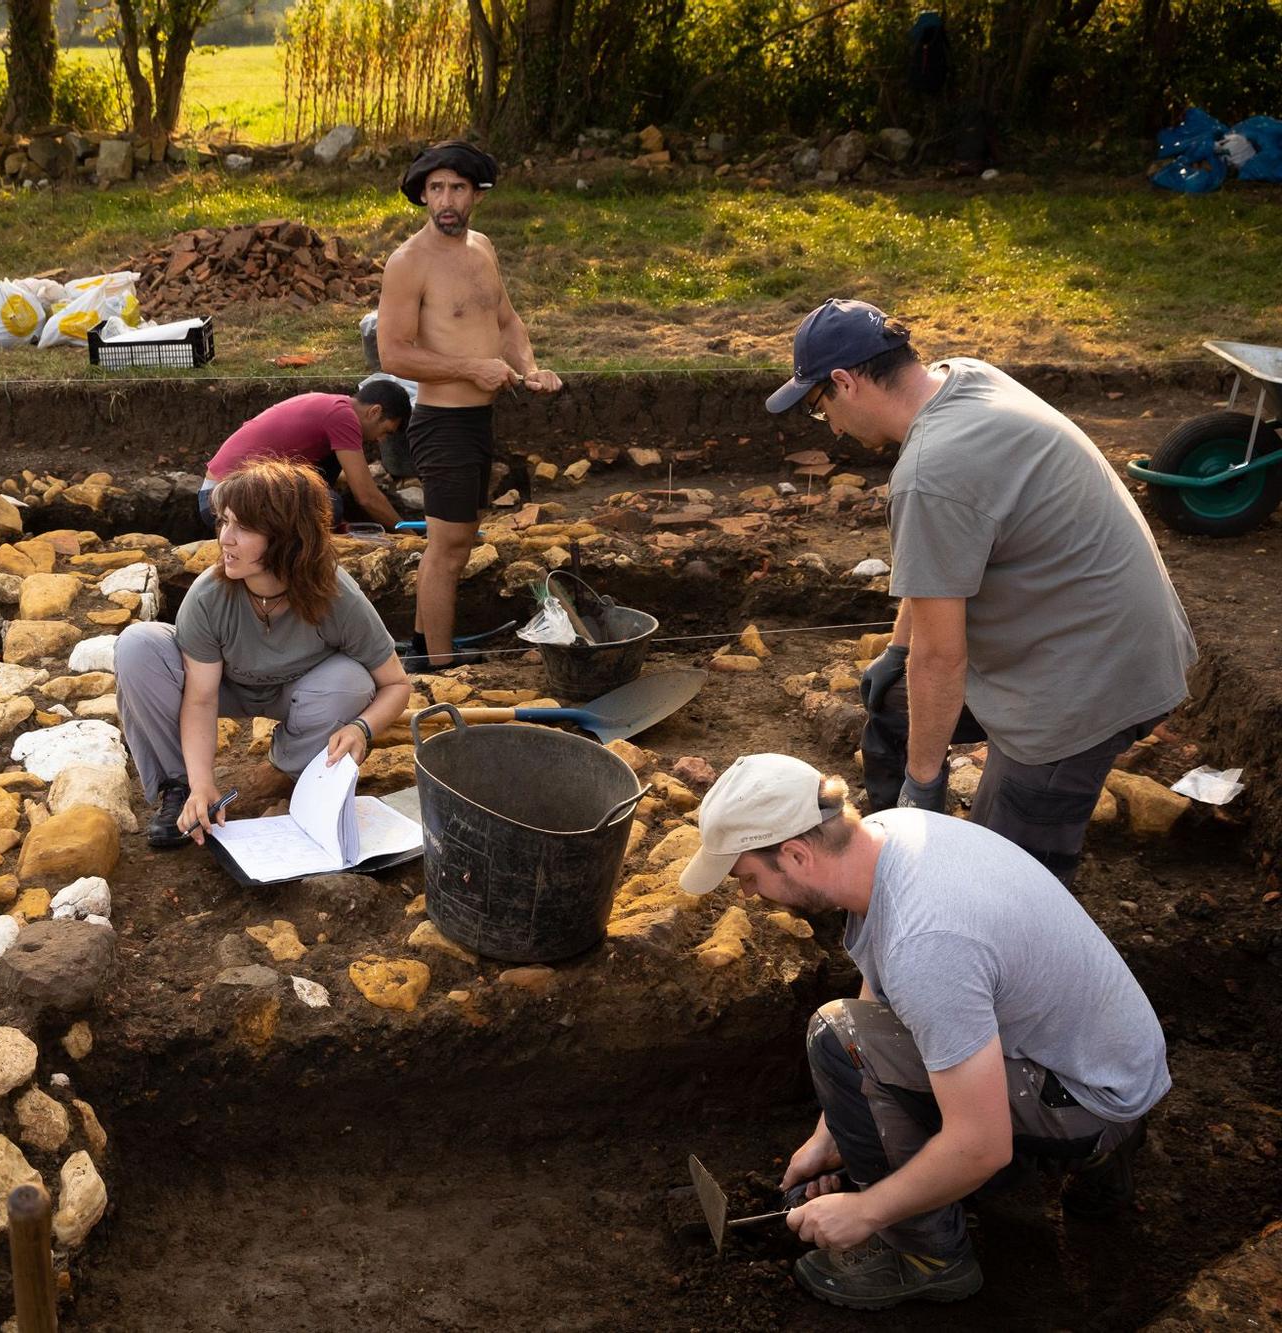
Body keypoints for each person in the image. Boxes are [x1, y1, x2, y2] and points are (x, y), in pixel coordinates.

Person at [679, 753, 1169, 1311]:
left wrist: (866, 1211)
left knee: (835, 1038)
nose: (748, 895)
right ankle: (1107, 1154)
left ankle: (928, 1258)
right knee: (852, 1038)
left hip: (1091, 1096)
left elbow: (982, 1145)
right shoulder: (894, 835)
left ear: (795, 854)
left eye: (748, 878)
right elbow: (880, 995)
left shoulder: (927, 941)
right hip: (1110, 1059)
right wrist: (828, 1136)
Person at [767, 299, 1196, 885]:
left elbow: (942, 658)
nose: (834, 429)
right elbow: (938, 579)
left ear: (844, 382)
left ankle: (1007, 933)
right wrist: (895, 655)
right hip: (1091, 633)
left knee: (1003, 879)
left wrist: (925, 785)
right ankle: (893, 860)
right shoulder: (966, 377)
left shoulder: (930, 474)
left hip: (1089, 684)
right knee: (893, 702)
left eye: (822, 410)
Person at [116, 458, 412, 849]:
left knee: (352, 680)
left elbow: (395, 684)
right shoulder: (209, 595)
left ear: (288, 536)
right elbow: (201, 698)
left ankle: (289, 775)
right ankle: (183, 789)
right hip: (226, 686)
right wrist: (203, 781)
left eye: (244, 527)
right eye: (223, 521)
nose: (225, 538)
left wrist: (363, 727)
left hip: (299, 693)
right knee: (139, 645)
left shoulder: (337, 595)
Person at [376, 140, 563, 668]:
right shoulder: (408, 262)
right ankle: (436, 663)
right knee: (450, 545)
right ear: (422, 195)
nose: (446, 200)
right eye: (435, 189)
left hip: (480, 418)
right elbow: (394, 353)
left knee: (457, 540)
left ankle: (421, 646)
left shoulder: (482, 247)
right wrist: (471, 369)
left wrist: (529, 369)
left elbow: (506, 322)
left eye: (456, 187)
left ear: (476, 193)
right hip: (443, 422)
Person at [200, 383, 410, 530]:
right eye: (386, 431)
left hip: (224, 493)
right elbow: (366, 496)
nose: (381, 440)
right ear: (374, 411)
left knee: (323, 487)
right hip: (221, 501)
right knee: (327, 507)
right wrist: (407, 533)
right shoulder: (343, 417)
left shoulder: (333, 405)